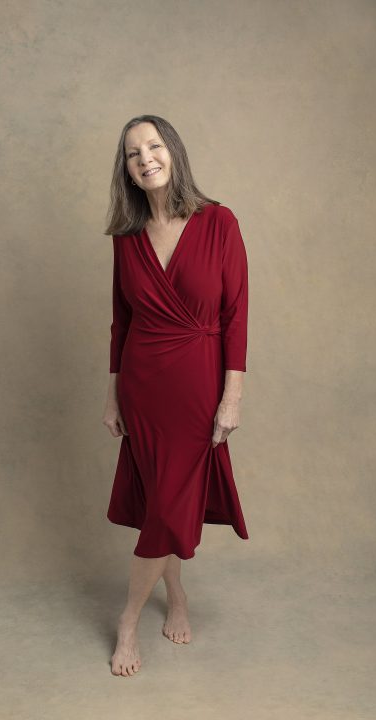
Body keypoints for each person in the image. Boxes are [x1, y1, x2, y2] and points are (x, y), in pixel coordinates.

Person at [102, 115, 249, 677]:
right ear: (128, 172)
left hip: (197, 388)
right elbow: (120, 322)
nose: (146, 158)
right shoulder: (126, 238)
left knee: (167, 505)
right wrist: (113, 396)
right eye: (133, 154)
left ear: (173, 151)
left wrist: (231, 397)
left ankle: (127, 620)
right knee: (162, 502)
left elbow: (236, 316)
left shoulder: (219, 223)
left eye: (154, 145)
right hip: (142, 389)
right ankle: (176, 597)